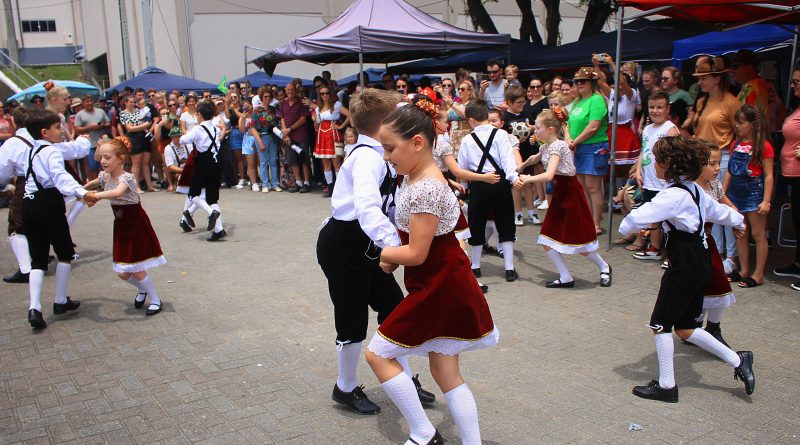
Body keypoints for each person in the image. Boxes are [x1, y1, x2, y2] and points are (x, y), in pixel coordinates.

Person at [364, 98, 499, 445]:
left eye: (390, 148)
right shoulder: (422, 178)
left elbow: (418, 252)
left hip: (439, 288)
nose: (386, 156)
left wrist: (385, 254)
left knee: (377, 353)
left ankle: (424, 431)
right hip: (444, 284)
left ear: (418, 142)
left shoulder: (423, 186)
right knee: (444, 369)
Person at [316, 89, 434, 417]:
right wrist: (394, 246)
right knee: (352, 320)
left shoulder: (378, 154)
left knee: (394, 310)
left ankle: (405, 379)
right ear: (383, 123)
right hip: (346, 243)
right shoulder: (367, 157)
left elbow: (388, 204)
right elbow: (368, 208)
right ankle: (345, 386)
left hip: (364, 241)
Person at [619, 136, 754, 403]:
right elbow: (718, 211)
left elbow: (638, 217)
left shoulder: (673, 195)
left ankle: (667, 386)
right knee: (684, 327)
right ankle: (738, 359)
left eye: (657, 161)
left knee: (661, 323)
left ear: (668, 163)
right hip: (699, 260)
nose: (654, 165)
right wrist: (739, 221)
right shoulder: (692, 190)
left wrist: (626, 227)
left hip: (684, 265)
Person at [517, 107, 612, 288]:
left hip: (571, 194)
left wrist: (528, 178)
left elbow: (549, 175)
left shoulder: (558, 147)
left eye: (537, 128)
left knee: (579, 240)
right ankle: (565, 276)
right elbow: (534, 159)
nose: (534, 131)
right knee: (547, 237)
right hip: (561, 194)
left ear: (550, 129)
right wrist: (520, 167)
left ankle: (604, 267)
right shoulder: (547, 146)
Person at [0, 107, 90, 284]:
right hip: (50, 190)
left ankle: (27, 268)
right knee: (53, 224)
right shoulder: (47, 143)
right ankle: (53, 285)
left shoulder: (14, 142)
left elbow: (2, 171)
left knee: (17, 226)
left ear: (13, 122)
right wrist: (83, 142)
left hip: (26, 186)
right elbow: (72, 151)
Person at [20, 109, 89, 329]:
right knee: (65, 253)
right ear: (45, 131)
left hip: (28, 203)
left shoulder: (31, 150)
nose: (61, 131)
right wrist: (83, 193)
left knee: (38, 259)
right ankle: (60, 301)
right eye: (57, 127)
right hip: (48, 204)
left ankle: (35, 307)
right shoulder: (51, 152)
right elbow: (60, 178)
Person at [82, 137, 165, 316]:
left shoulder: (126, 177)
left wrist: (95, 196)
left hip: (135, 225)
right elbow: (88, 186)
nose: (103, 161)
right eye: (101, 157)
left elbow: (117, 192)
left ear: (120, 158)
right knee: (121, 271)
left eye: (107, 157)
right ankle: (142, 290)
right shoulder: (103, 177)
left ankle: (156, 300)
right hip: (120, 226)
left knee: (138, 269)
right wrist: (79, 191)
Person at [687, 55, 742, 277]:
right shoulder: (701, 102)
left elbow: (740, 134)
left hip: (723, 158)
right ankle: (716, 252)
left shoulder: (731, 102)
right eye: (699, 78)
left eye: (705, 77)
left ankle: (731, 256)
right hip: (701, 160)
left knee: (722, 206)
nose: (701, 82)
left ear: (717, 78)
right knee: (706, 208)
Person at [459, 99, 520, 282]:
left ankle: (476, 266)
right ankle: (509, 268)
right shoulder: (501, 135)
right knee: (505, 222)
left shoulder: (467, 139)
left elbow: (463, 167)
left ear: (471, 120)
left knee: (476, 223)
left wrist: (465, 188)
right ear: (486, 115)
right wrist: (514, 179)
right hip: (500, 182)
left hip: (479, 183)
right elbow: (508, 161)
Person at [724, 105, 774, 288]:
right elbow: (730, 171)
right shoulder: (735, 144)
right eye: (736, 122)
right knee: (740, 233)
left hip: (754, 193)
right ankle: (744, 270)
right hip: (736, 193)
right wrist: (722, 193)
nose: (737, 126)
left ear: (752, 124)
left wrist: (766, 200)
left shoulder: (764, 146)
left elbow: (768, 175)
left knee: (758, 234)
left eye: (741, 122)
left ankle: (758, 273)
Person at [695, 142, 736, 347]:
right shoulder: (691, 188)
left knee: (718, 281)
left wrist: (738, 219)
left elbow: (727, 204)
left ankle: (712, 328)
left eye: (719, 163)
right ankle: (694, 326)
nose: (718, 168)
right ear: (698, 164)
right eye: (712, 163)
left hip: (707, 242)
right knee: (698, 285)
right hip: (692, 244)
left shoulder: (715, 185)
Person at [631, 91, 681, 259]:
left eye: (660, 107)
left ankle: (672, 253)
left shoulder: (670, 129)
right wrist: (638, 171)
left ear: (667, 108)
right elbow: (643, 152)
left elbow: (675, 156)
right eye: (652, 107)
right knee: (653, 215)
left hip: (664, 183)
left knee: (668, 219)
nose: (655, 111)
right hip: (648, 181)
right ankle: (654, 247)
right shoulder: (647, 129)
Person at [566, 67, 609, 235]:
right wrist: (569, 138)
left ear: (591, 82)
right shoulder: (577, 101)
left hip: (594, 146)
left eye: (582, 81)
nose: (579, 84)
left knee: (593, 187)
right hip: (578, 147)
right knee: (582, 186)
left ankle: (596, 223)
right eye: (576, 81)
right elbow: (568, 123)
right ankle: (586, 219)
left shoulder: (597, 100)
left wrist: (574, 141)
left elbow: (593, 126)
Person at [180, 100, 226, 241]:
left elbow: (183, 140)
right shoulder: (215, 128)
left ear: (199, 115)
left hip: (204, 164)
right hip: (216, 163)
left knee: (193, 194)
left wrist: (188, 132)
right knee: (212, 198)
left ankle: (210, 212)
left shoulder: (198, 129)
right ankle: (219, 230)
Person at [773, 66, 800, 290]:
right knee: (798, 220)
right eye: (792, 81)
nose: (793, 86)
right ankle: (798, 264)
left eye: (797, 82)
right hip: (794, 175)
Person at [503, 86, 541, 226]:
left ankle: (532, 213)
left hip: (527, 152)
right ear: (510, 102)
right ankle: (518, 214)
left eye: (523, 102)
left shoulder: (527, 112)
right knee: (517, 184)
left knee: (529, 183)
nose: (521, 105)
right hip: (513, 154)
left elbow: (535, 127)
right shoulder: (505, 117)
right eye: (518, 102)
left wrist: (531, 133)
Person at [280, 83, 313, 193]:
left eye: (292, 89)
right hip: (289, 136)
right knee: (292, 160)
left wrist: (290, 129)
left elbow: (303, 119)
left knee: (304, 159)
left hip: (301, 135)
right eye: (288, 89)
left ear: (296, 90)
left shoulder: (301, 102)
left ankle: (307, 182)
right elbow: (282, 118)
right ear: (285, 90)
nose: (290, 92)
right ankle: (298, 182)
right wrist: (285, 133)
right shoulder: (283, 103)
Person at [313, 85, 343, 197]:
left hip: (332, 133)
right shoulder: (318, 108)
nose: (325, 95)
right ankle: (330, 188)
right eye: (322, 94)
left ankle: (340, 188)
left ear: (330, 94)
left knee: (336, 162)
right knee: (326, 163)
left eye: (327, 93)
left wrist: (340, 126)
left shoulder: (336, 105)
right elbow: (317, 123)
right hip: (322, 134)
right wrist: (315, 120)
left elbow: (349, 114)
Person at [74, 95, 111, 182]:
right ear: (83, 103)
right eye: (87, 101)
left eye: (91, 101)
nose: (89, 103)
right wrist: (90, 127)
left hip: (101, 142)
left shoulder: (100, 111)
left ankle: (104, 183)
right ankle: (95, 184)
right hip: (89, 144)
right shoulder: (80, 115)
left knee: (103, 164)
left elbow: (108, 123)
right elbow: (77, 130)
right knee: (92, 166)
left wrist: (101, 125)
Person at [249, 96, 281, 193]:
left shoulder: (273, 109)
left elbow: (277, 123)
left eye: (269, 96)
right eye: (265, 96)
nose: (267, 98)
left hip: (273, 137)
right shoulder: (257, 110)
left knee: (273, 162)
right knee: (263, 162)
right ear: (262, 97)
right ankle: (265, 184)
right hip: (262, 137)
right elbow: (252, 127)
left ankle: (275, 183)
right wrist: (259, 141)